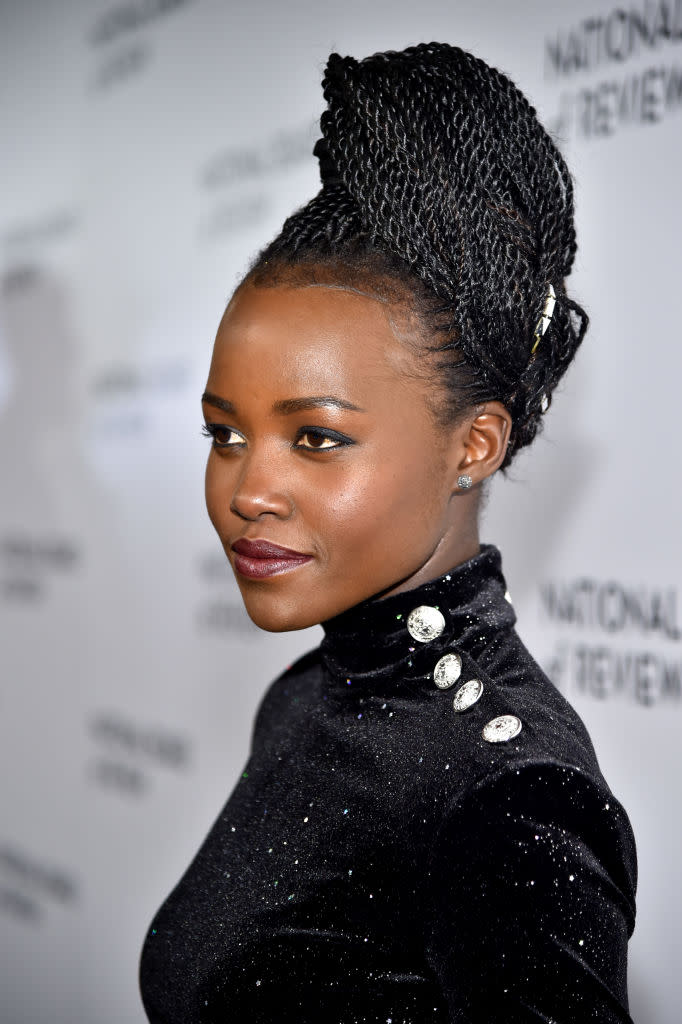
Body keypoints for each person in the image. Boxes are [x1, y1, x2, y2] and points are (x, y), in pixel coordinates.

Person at [138, 41, 637, 1023]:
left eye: (317, 437)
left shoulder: (507, 795)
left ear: (473, 444)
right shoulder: (307, 696)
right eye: (224, 433)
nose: (247, 488)